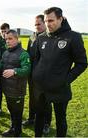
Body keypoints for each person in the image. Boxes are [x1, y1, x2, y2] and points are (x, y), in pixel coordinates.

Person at [32, 7, 87, 137]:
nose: (47, 24)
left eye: (51, 20)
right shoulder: (41, 38)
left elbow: (82, 63)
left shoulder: (73, 37)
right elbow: (37, 59)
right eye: (46, 21)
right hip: (40, 88)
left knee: (60, 119)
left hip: (60, 89)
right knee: (39, 116)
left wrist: (65, 80)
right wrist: (36, 74)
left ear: (60, 19)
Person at [22, 14, 52, 134]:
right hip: (32, 74)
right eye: (35, 24)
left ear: (45, 23)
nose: (37, 26)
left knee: (46, 101)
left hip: (44, 76)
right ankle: (31, 118)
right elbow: (29, 54)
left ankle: (46, 123)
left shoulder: (49, 37)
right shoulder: (32, 37)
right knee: (33, 98)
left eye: (39, 24)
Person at [0, 23, 10, 116]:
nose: (4, 33)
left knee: (9, 90)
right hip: (0, 69)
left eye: (5, 31)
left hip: (10, 70)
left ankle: (9, 107)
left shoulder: (12, 40)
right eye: (2, 31)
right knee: (0, 90)